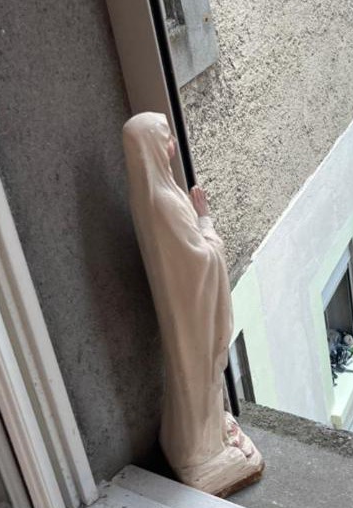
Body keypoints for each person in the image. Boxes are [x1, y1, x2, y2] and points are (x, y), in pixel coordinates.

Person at [122, 112, 263, 497]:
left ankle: (201, 437)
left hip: (182, 307)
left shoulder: (149, 193)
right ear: (152, 147)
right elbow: (201, 260)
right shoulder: (165, 201)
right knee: (198, 374)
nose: (172, 145)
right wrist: (205, 220)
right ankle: (201, 451)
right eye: (167, 138)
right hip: (191, 312)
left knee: (194, 376)